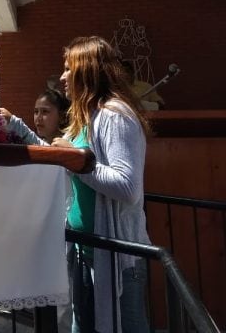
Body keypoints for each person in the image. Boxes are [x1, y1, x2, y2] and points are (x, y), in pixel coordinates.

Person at [52, 36, 151, 333]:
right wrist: (13, 125)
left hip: (118, 256)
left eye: (69, 69)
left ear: (89, 72)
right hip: (86, 249)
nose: (62, 77)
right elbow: (64, 157)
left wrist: (77, 163)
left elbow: (127, 187)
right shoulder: (87, 117)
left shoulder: (114, 116)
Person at [0, 87, 70, 145]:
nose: (38, 117)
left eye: (45, 111)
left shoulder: (69, 144)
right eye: (36, 112)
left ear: (62, 116)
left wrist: (13, 121)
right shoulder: (43, 141)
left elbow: (50, 151)